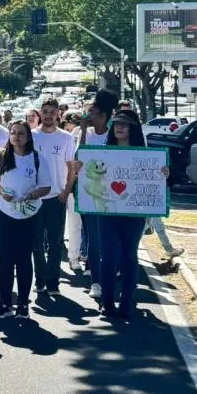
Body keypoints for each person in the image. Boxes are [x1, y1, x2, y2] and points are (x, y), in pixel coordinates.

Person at [76, 109, 168, 319]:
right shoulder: (101, 153)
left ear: (133, 128)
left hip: (134, 215)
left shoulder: (145, 155)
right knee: (108, 257)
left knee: (129, 257)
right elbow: (86, 170)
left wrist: (164, 173)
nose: (119, 127)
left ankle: (126, 301)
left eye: (124, 124)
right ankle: (107, 302)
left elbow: (157, 182)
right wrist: (80, 166)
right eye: (116, 123)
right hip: (108, 213)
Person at [0, 120, 52, 318]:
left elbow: (46, 187)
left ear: (28, 136)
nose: (16, 136)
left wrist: (31, 195)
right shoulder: (1, 156)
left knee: (24, 259)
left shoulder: (37, 158)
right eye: (13, 132)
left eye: (21, 133)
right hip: (5, 213)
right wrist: (2, 192)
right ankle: (5, 303)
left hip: (29, 214)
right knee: (6, 259)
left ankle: (23, 304)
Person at [32, 99, 76, 295]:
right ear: (40, 113)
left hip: (56, 197)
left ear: (58, 114)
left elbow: (71, 168)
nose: (48, 115)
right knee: (36, 242)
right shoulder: (31, 136)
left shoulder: (66, 138)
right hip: (35, 197)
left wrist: (66, 191)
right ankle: (40, 279)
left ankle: (53, 282)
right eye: (45, 111)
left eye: (52, 112)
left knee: (55, 243)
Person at [78, 90, 118, 299]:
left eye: (92, 113)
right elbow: (79, 155)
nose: (88, 116)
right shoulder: (86, 133)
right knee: (93, 238)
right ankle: (95, 280)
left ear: (103, 115)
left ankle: (110, 276)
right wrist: (84, 131)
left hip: (110, 193)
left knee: (109, 238)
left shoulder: (114, 134)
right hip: (90, 193)